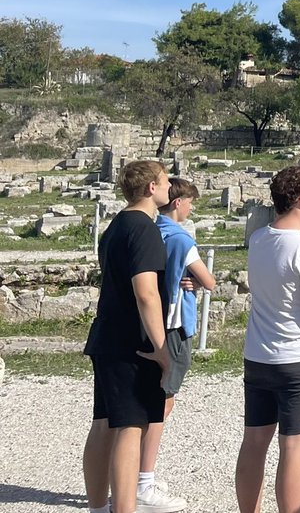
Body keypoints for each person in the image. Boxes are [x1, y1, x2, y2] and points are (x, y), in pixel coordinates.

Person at [235, 165, 300, 513]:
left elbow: (298, 226)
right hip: (298, 358)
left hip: (258, 355)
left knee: (255, 442)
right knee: (293, 447)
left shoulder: (260, 238)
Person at [81, 160, 173, 513]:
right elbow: (145, 292)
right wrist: (162, 348)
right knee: (130, 426)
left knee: (103, 421)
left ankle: (97, 506)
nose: (169, 187)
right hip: (132, 341)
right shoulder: (145, 229)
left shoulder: (116, 225)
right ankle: (124, 507)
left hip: (106, 334)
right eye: (165, 181)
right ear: (151, 187)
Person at [135, 177, 216, 513]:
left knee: (149, 398)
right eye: (190, 202)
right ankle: (143, 481)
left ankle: (137, 474)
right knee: (162, 403)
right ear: (179, 202)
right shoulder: (182, 239)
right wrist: (195, 279)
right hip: (174, 325)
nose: (191, 207)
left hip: (147, 325)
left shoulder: (153, 231)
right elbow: (209, 281)